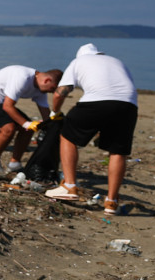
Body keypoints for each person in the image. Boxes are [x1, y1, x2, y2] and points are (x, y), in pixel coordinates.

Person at [44, 44, 138, 214]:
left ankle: (70, 186)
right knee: (118, 151)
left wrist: (54, 113)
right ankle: (111, 202)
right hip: (128, 105)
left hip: (96, 101)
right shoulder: (116, 61)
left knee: (67, 135)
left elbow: (60, 93)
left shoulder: (78, 62)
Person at [0, 65, 61, 173]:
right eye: (53, 88)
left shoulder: (41, 89)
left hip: (0, 104)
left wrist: (52, 126)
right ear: (47, 80)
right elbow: (7, 106)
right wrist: (26, 124)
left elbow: (45, 113)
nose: (52, 92)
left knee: (28, 130)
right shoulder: (22, 77)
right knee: (8, 129)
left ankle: (15, 164)